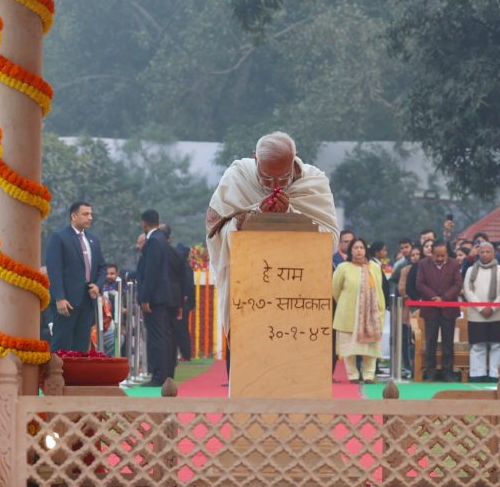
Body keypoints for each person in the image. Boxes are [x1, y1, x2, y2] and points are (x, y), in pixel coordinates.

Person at [205, 131, 339, 340]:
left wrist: (289, 215)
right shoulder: (238, 177)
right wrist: (252, 218)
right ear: (255, 158)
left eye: (283, 177)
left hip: (299, 294)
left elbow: (329, 241)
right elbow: (215, 233)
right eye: (267, 177)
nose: (275, 185)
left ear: (294, 159)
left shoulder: (314, 183)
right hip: (250, 293)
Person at [44, 201, 105, 353]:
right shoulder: (59, 237)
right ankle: (57, 376)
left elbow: (102, 267)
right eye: (85, 214)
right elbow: (54, 269)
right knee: (62, 344)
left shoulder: (93, 240)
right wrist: (59, 297)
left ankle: (77, 377)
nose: (90, 217)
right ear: (73, 216)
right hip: (67, 302)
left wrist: (97, 285)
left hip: (87, 301)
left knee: (82, 345)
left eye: (91, 214)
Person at [331, 237, 386, 384]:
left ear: (365, 250)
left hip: (370, 316)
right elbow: (335, 290)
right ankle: (353, 376)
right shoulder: (343, 267)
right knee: (350, 349)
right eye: (355, 248)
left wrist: (378, 311)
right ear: (351, 251)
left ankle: (368, 375)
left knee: (370, 348)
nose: (359, 250)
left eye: (361, 248)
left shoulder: (374, 267)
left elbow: (379, 289)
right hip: (348, 314)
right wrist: (348, 303)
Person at [136, 210, 177, 386]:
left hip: (155, 298)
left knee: (156, 337)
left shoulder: (153, 241)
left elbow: (150, 273)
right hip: (162, 296)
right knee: (163, 336)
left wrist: (145, 298)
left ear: (144, 223)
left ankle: (158, 376)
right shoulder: (161, 239)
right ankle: (164, 374)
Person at [415, 240, 462, 382]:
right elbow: (419, 283)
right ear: (432, 253)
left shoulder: (454, 264)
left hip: (449, 309)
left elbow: (458, 284)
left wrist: (444, 298)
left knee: (448, 343)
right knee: (431, 342)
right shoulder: (423, 264)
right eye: (437, 256)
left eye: (443, 256)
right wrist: (433, 298)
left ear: (447, 253)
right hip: (430, 309)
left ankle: (448, 372)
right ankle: (430, 373)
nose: (440, 259)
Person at [463, 240, 500, 381]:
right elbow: (467, 290)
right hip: (477, 314)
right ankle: (477, 374)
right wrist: (481, 308)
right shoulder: (471, 270)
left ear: (493, 253)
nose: (485, 254)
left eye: (488, 251)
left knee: (497, 345)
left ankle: (496, 374)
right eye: (482, 252)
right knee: (477, 345)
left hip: (497, 315)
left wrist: (492, 307)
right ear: (478, 253)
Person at [396, 238, 435, 377]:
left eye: (432, 246)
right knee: (413, 338)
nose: (429, 249)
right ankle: (414, 368)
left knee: (431, 338)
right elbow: (408, 288)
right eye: (426, 246)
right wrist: (419, 300)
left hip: (434, 307)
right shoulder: (413, 268)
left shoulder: (436, 265)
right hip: (416, 308)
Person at [161, 223, 196, 362]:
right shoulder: (186, 265)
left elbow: (186, 284)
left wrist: (185, 300)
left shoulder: (182, 265)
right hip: (183, 300)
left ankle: (185, 354)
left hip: (181, 301)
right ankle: (184, 354)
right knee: (180, 329)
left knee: (180, 329)